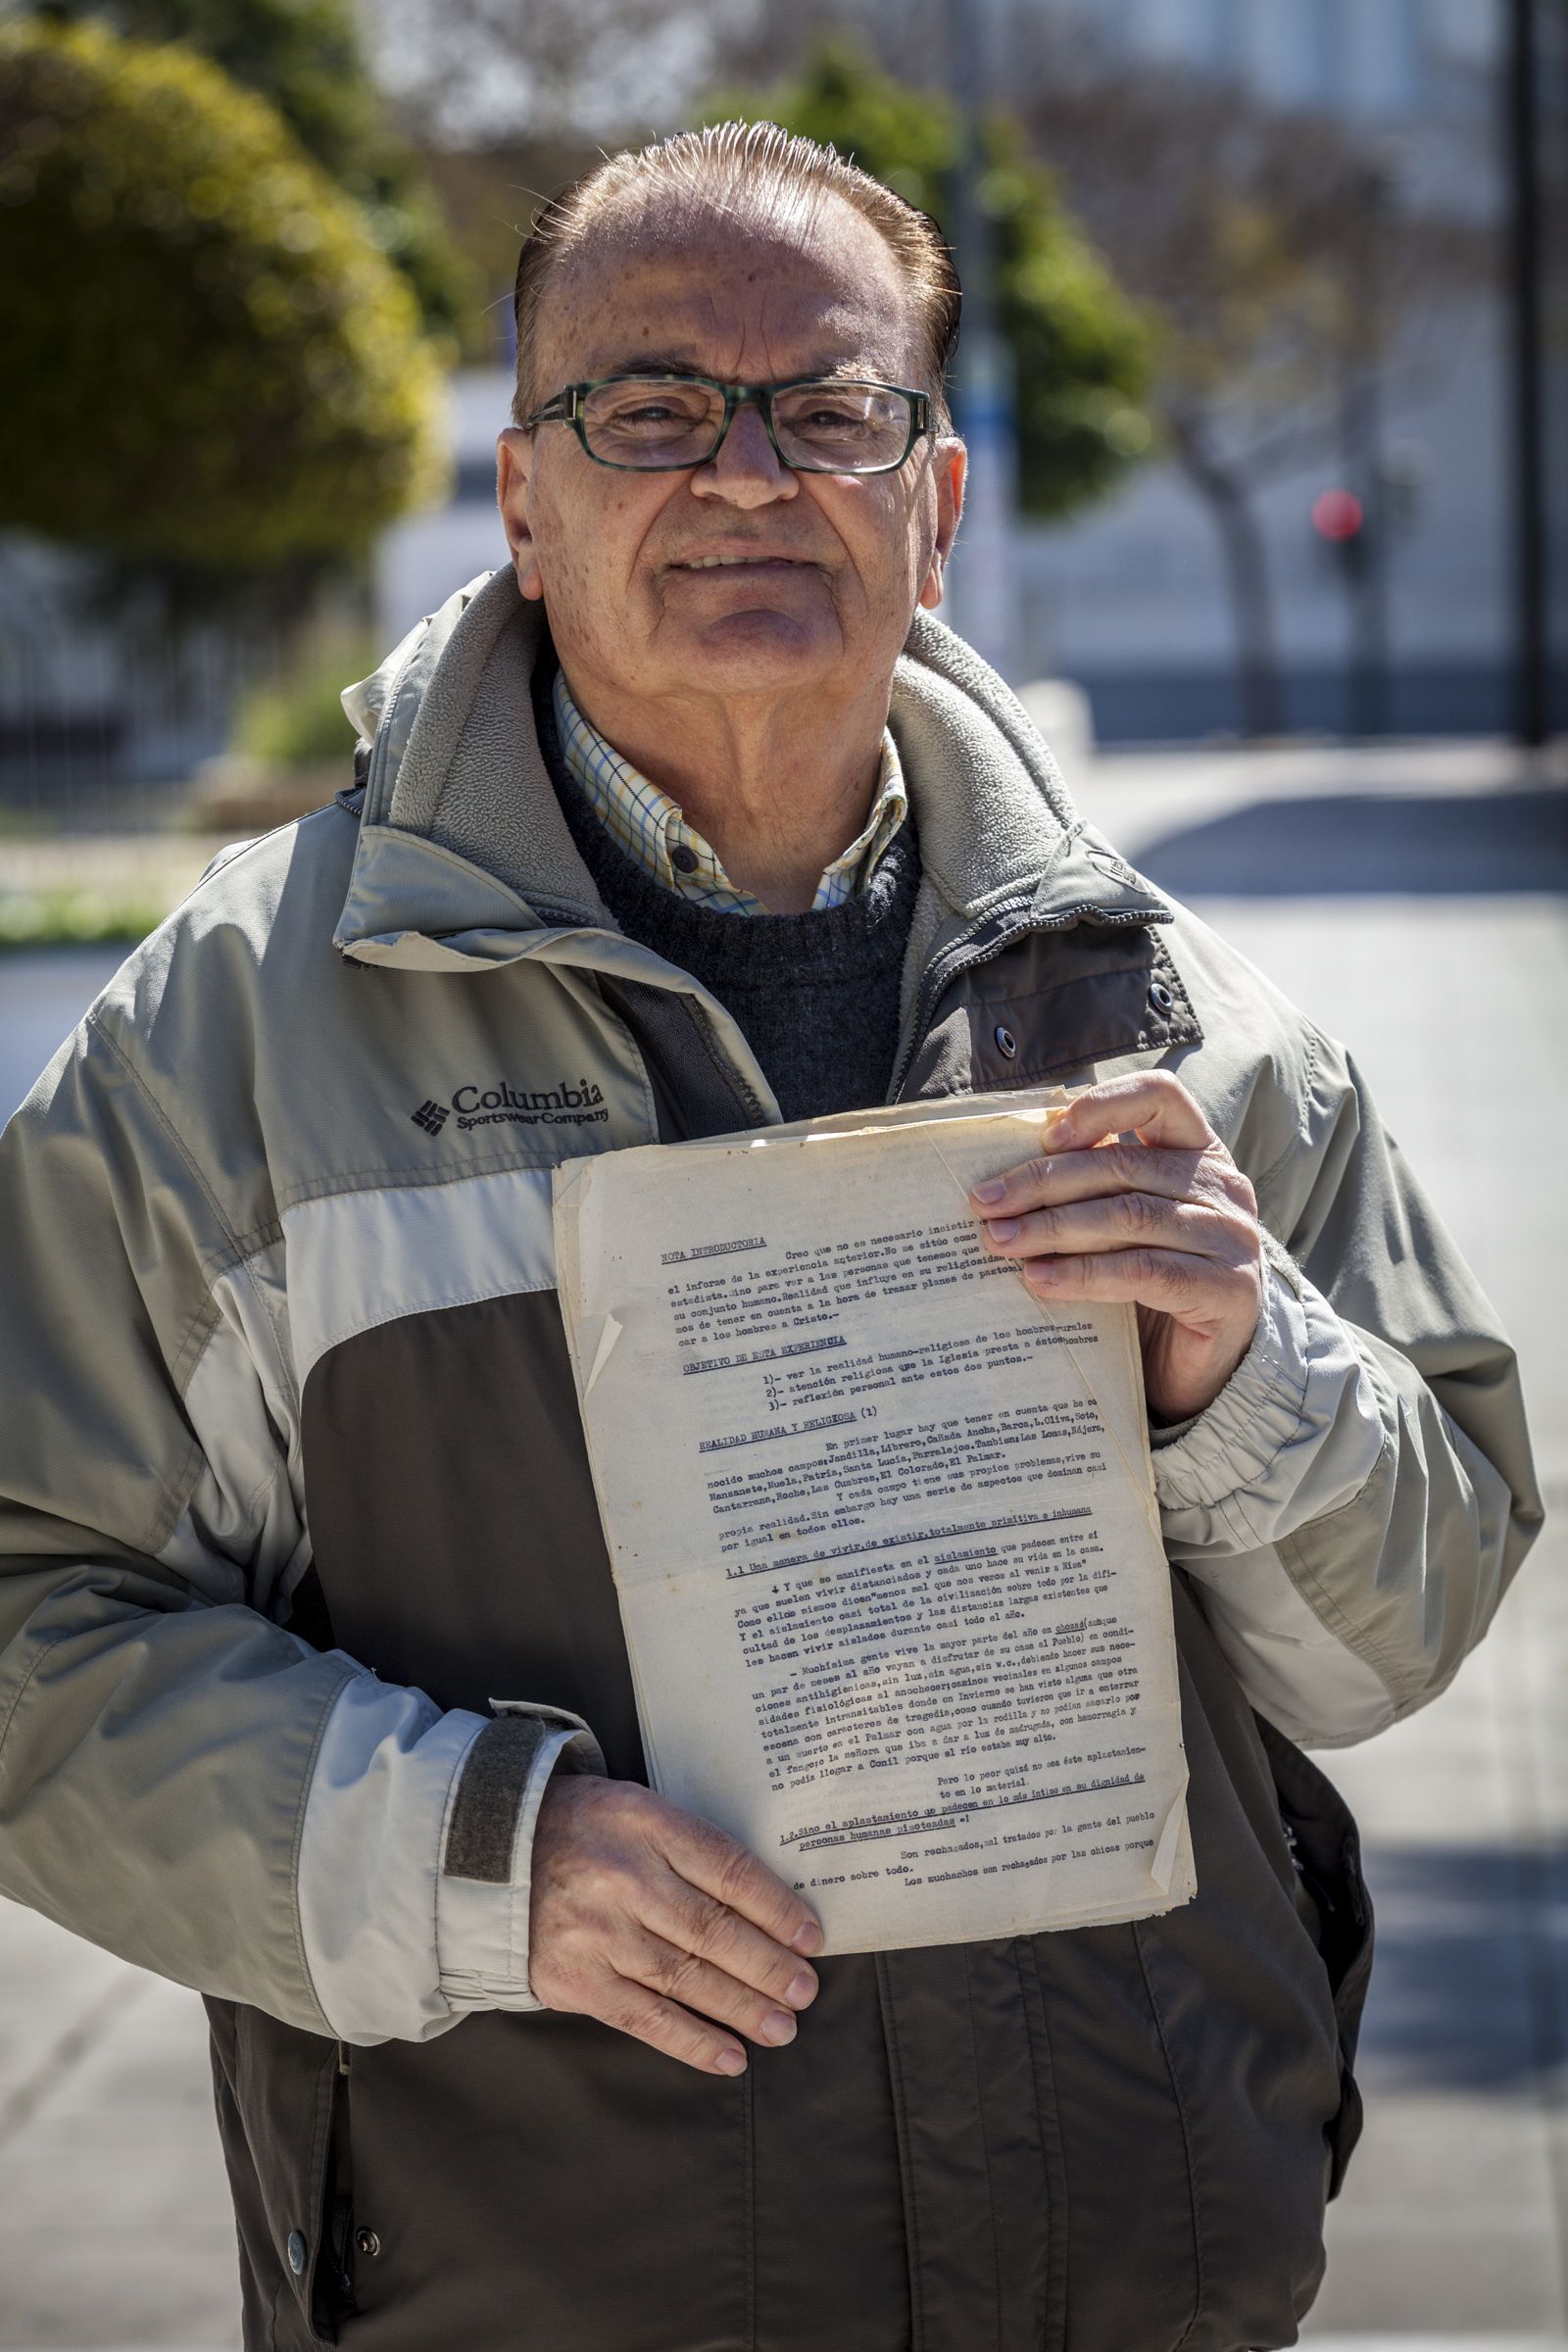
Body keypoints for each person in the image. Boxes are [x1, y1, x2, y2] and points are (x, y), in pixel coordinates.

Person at [0, 122, 1540, 2352]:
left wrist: (1242, 1372)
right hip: (538, 2288)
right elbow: (30, 1615)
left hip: (1138, 2276)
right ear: (522, 501)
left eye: (828, 409)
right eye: (647, 408)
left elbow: (1394, 1629)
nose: (742, 473)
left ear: (931, 505)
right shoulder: (229, 1046)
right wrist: (472, 1858)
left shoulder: (1191, 1025)